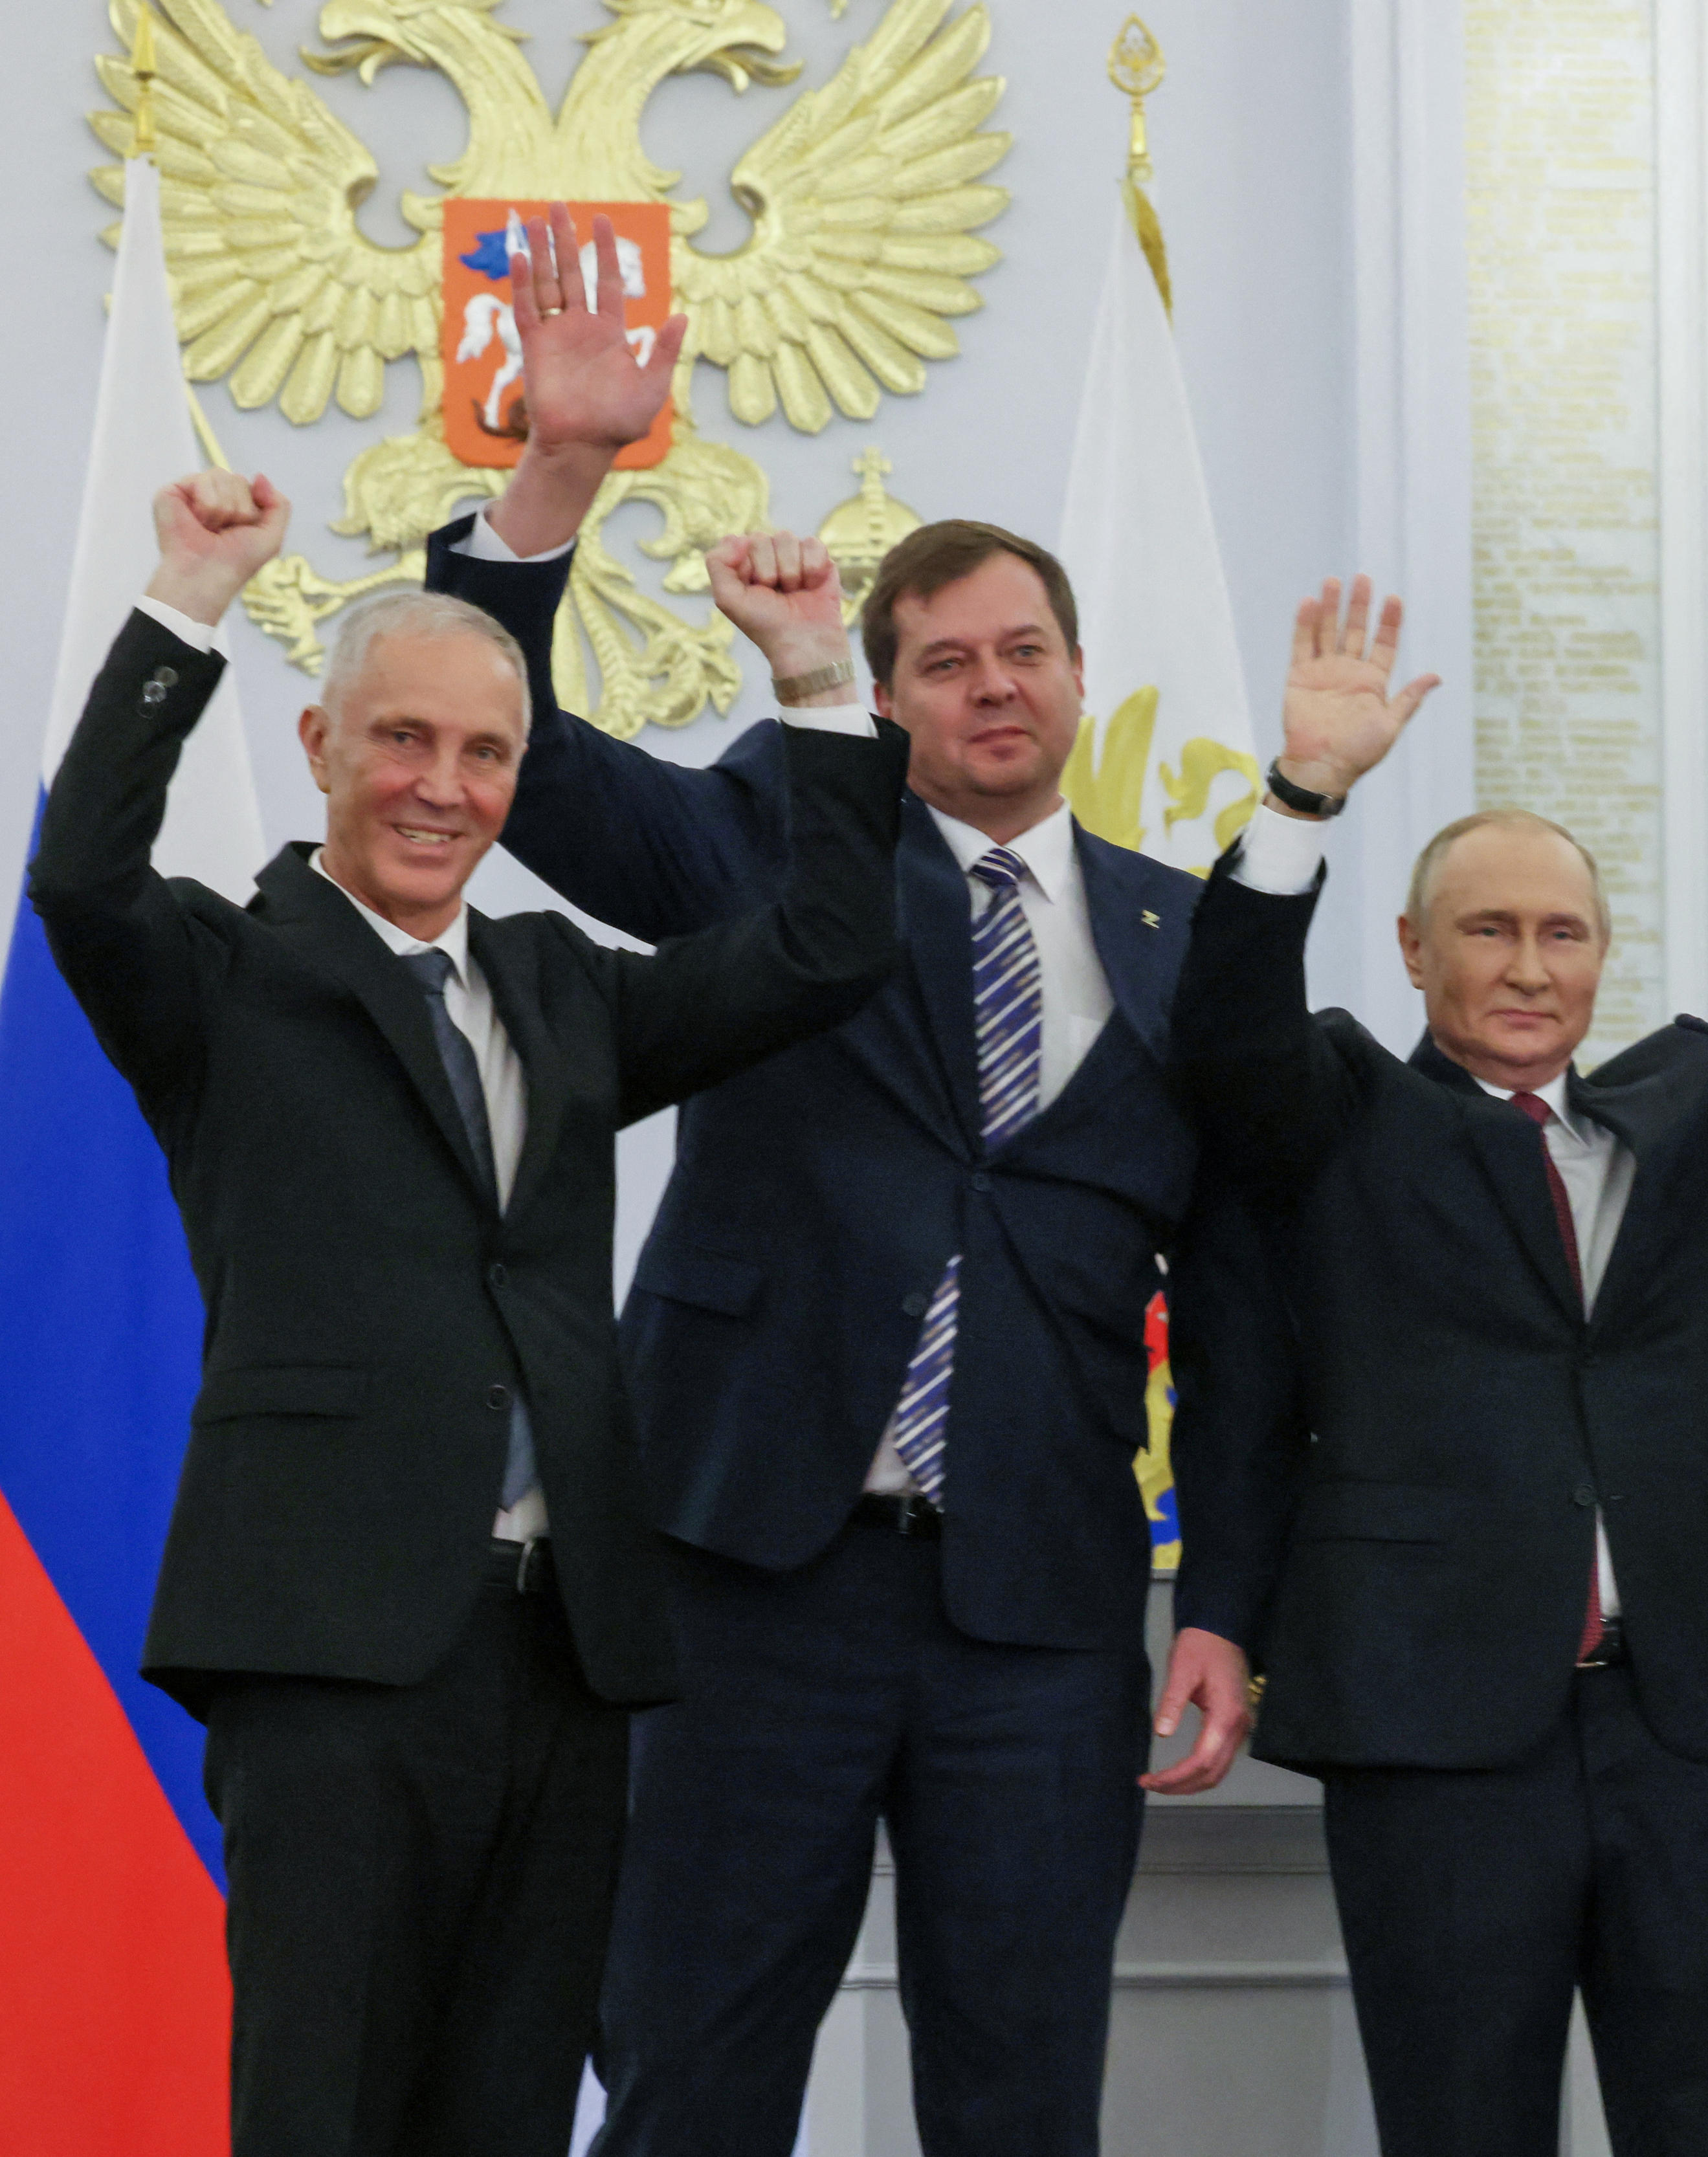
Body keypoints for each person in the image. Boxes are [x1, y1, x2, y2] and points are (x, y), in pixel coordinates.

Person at [414, 206, 1297, 2156]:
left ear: (1079, 671)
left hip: (1046, 1606)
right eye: (945, 662)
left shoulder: (1188, 937)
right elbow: (534, 765)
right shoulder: (772, 842)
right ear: (882, 697)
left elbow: (1239, 1302)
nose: (993, 687)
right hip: (751, 1571)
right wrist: (558, 471)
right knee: (691, 2066)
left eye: (1026, 651)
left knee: (1020, 2087)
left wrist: (1224, 1598)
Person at [26, 465, 904, 2156]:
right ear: (323, 749)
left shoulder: (563, 987)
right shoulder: (224, 972)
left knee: (509, 2100)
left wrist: (810, 674)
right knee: (326, 2096)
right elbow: (79, 879)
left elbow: (822, 950)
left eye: (485, 752)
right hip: (331, 1640)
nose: (445, 786)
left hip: (562, 1652)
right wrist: (187, 596)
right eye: (405, 741)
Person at [1168, 566, 1708, 2155]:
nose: (1530, 967)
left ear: (1604, 954)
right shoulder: (1337, 1115)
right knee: (1462, 2123)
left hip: (1686, 1711)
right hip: (1437, 1715)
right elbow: (1225, 1027)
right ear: (1411, 950)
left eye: (1563, 933)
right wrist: (1304, 794)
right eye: (1488, 931)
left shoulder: (1689, 1116)